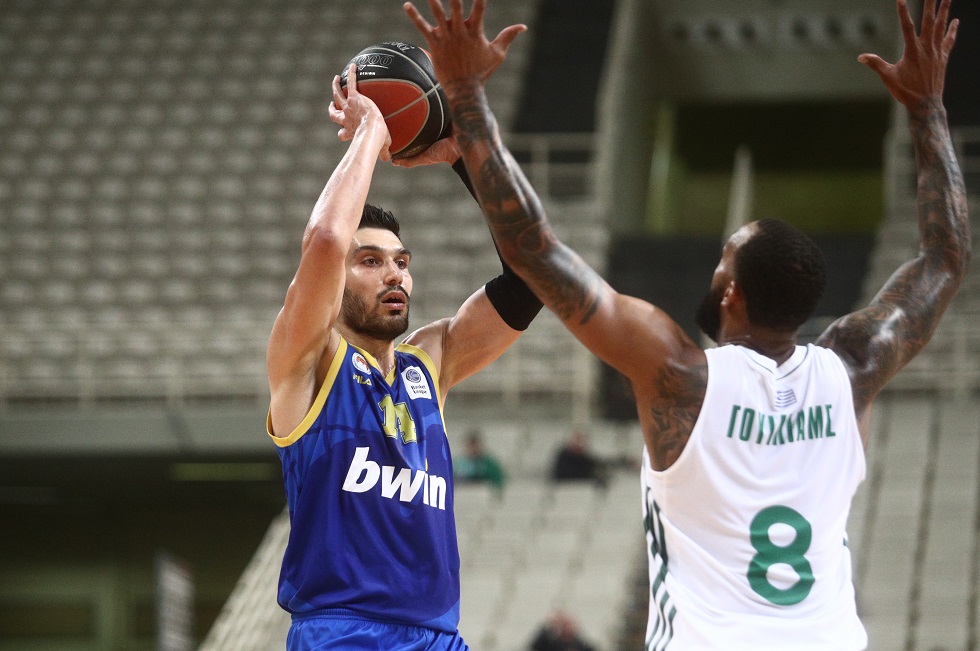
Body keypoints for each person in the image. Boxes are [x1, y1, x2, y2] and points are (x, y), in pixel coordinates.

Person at [405, 0, 969, 648]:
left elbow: (537, 253)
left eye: (723, 256)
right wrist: (928, 109)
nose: (714, 266)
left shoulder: (681, 375)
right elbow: (945, 259)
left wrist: (467, 98)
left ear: (731, 293)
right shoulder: (853, 367)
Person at [265, 48, 540, 650]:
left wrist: (465, 153)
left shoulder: (428, 364)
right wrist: (372, 130)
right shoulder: (307, 361)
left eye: (401, 262)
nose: (394, 274)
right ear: (335, 281)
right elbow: (326, 238)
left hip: (439, 636)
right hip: (343, 633)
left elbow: (532, 280)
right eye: (370, 262)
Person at [529, 611, 597, 651]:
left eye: (569, 625)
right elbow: (535, 646)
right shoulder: (553, 643)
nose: (567, 629)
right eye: (564, 625)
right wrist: (549, 626)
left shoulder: (581, 644)